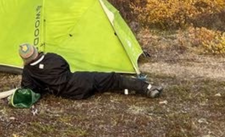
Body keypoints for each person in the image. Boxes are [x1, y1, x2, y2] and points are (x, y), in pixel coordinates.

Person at [18, 43, 162, 100]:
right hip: (80, 81)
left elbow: (28, 88)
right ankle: (147, 88)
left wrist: (45, 85)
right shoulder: (52, 57)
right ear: (35, 51)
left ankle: (129, 91)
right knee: (113, 79)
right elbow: (65, 66)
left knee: (105, 87)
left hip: (70, 94)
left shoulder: (28, 71)